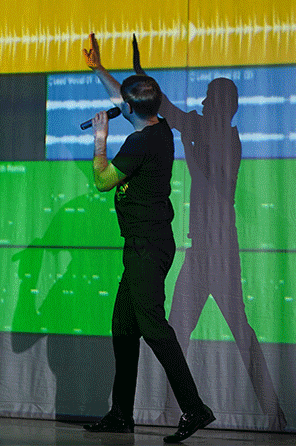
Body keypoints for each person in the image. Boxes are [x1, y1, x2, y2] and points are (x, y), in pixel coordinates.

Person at [132, 41, 287, 431]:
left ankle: (273, 413)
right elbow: (170, 111)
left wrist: (187, 145)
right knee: (180, 332)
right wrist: (143, 77)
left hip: (217, 252)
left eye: (207, 99)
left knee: (231, 333)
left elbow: (211, 178)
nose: (200, 103)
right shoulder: (207, 131)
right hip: (204, 250)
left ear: (222, 106)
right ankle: (176, 411)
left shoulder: (225, 140)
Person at [82, 33, 215, 443]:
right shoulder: (159, 128)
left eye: (124, 104)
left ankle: (194, 408)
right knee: (124, 327)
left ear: (129, 111)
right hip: (144, 244)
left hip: (147, 248)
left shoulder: (139, 143)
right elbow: (125, 98)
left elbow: (103, 181)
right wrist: (99, 69)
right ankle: (121, 414)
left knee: (154, 327)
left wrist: (100, 139)